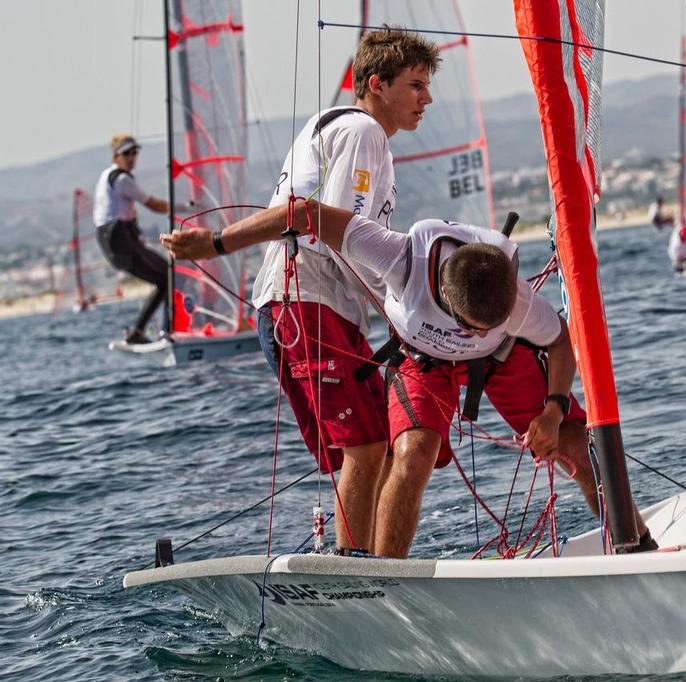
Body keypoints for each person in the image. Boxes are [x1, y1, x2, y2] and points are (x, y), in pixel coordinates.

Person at [160, 200, 657, 559]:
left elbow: (560, 341)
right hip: (423, 359)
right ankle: (382, 578)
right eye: (475, 326)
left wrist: (551, 410)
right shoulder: (400, 257)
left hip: (503, 361)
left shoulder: (521, 305)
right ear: (446, 296)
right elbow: (303, 213)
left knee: (573, 440)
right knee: (414, 450)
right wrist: (215, 243)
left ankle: (636, 543)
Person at [246, 28, 439, 553]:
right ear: (376, 84)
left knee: (370, 445)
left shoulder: (353, 133)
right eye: (416, 85)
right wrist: (410, 307)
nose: (427, 99)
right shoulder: (363, 132)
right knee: (368, 443)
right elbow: (338, 233)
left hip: (311, 305)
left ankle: (365, 563)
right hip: (306, 300)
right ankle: (357, 571)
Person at [93, 135, 171, 344]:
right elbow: (152, 204)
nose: (132, 157)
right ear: (116, 155)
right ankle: (163, 331)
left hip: (114, 242)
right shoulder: (121, 179)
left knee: (165, 279)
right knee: (170, 276)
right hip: (120, 242)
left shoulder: (105, 176)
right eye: (127, 152)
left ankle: (142, 331)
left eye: (135, 151)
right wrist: (187, 207)